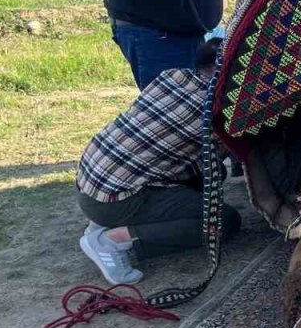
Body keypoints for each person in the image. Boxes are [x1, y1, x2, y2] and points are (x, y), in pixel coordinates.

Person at [75, 35, 241, 284]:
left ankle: (105, 224)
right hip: (115, 200)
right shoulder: (212, 115)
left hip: (90, 182)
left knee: (207, 177)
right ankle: (116, 241)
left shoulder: (171, 76)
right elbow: (237, 158)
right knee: (224, 221)